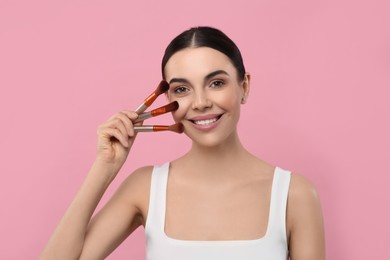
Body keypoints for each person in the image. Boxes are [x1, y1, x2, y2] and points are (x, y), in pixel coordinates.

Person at [41, 26, 325, 260]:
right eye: (182, 89)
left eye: (216, 83)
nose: (200, 103)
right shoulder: (146, 187)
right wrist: (104, 167)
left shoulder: (294, 194)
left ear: (244, 87)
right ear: (168, 100)